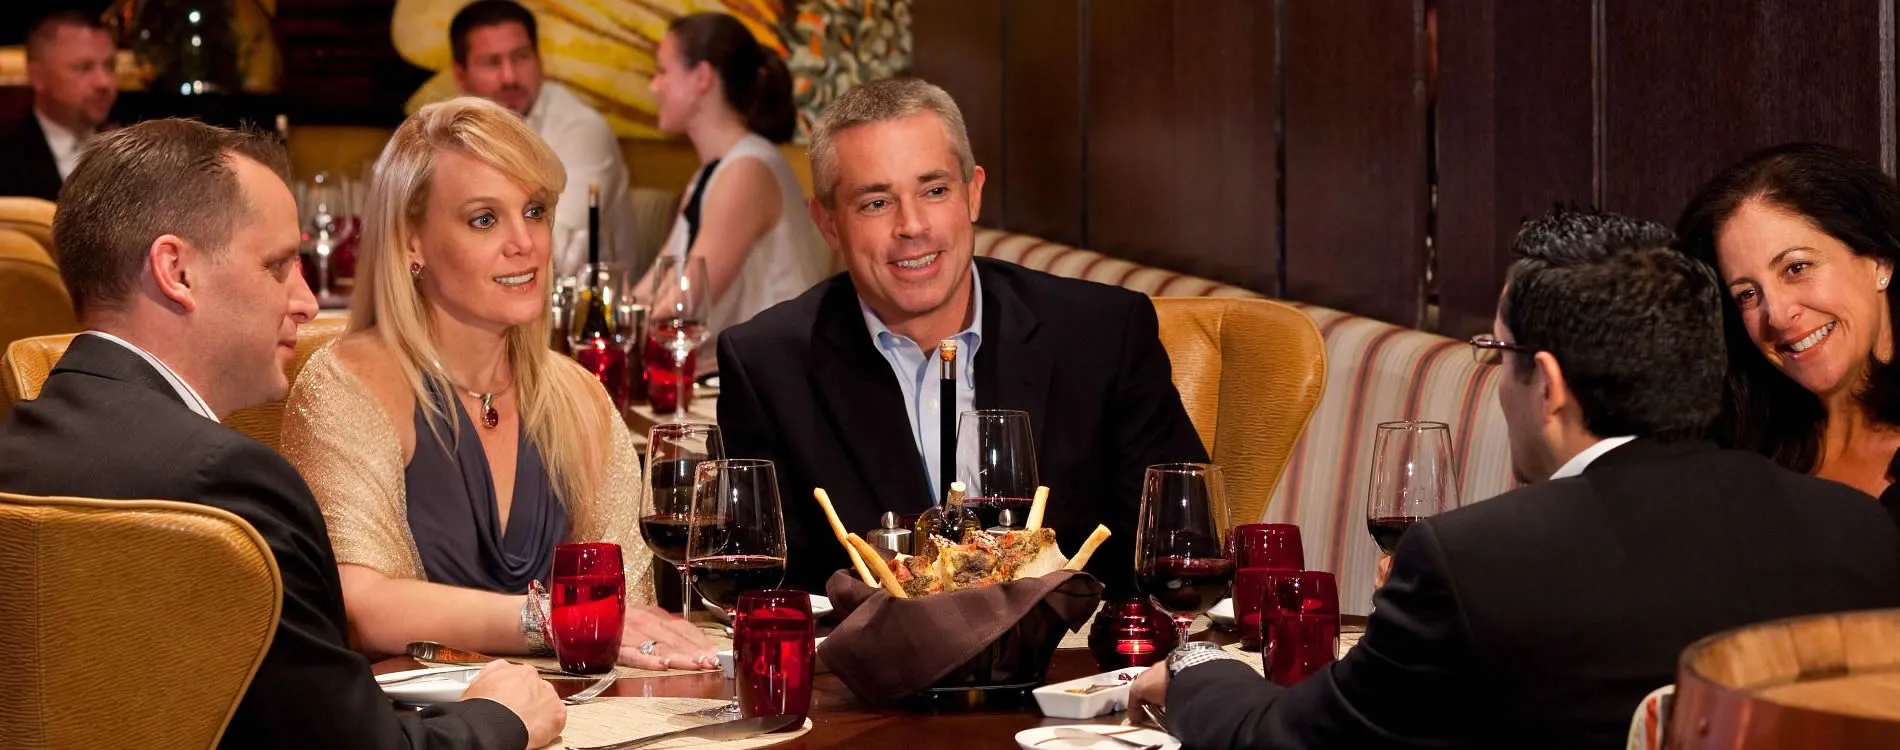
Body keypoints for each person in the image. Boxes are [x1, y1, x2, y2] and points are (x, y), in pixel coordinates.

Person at [1129, 208, 1900, 749]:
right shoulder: (1856, 529)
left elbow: (1288, 742)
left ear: (1549, 385)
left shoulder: (1476, 561)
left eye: (1499, 355)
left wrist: (1196, 671)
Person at [0, 118, 565, 748]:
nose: (306, 301)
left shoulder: (16, 450)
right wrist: (500, 717)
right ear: (176, 271)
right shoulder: (231, 485)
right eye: (277, 266)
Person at [715, 78, 1207, 594]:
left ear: (973, 193)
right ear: (829, 224)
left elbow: (1181, 548)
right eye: (876, 203)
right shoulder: (767, 365)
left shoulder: (1102, 335)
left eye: (934, 191)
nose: (912, 226)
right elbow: (761, 588)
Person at [278, 96, 717, 672]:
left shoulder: (579, 398)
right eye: (484, 219)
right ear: (411, 242)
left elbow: (629, 615)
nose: (524, 242)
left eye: (534, 211)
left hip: (579, 711)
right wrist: (552, 619)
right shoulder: (350, 384)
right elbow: (361, 608)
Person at [1677, 143, 1900, 528]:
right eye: (1747, 294)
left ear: (1879, 259)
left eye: (1796, 268)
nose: (1777, 316)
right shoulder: (1733, 458)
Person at [637, 12, 828, 358]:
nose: (654, 86)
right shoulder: (710, 174)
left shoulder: (748, 170)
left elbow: (687, 303)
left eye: (663, 71)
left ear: (702, 78)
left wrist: (616, 326)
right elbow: (655, 285)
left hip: (775, 374)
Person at [450, 0, 634, 276]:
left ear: (539, 60)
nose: (509, 77)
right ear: (460, 76)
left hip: (582, 300)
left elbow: (556, 255)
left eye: (521, 57)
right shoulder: (449, 130)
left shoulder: (580, 129)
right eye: (492, 63)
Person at [0, 10, 117, 201]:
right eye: (84, 68)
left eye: (110, 66)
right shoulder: (5, 156)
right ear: (37, 75)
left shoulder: (131, 151)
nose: (104, 82)